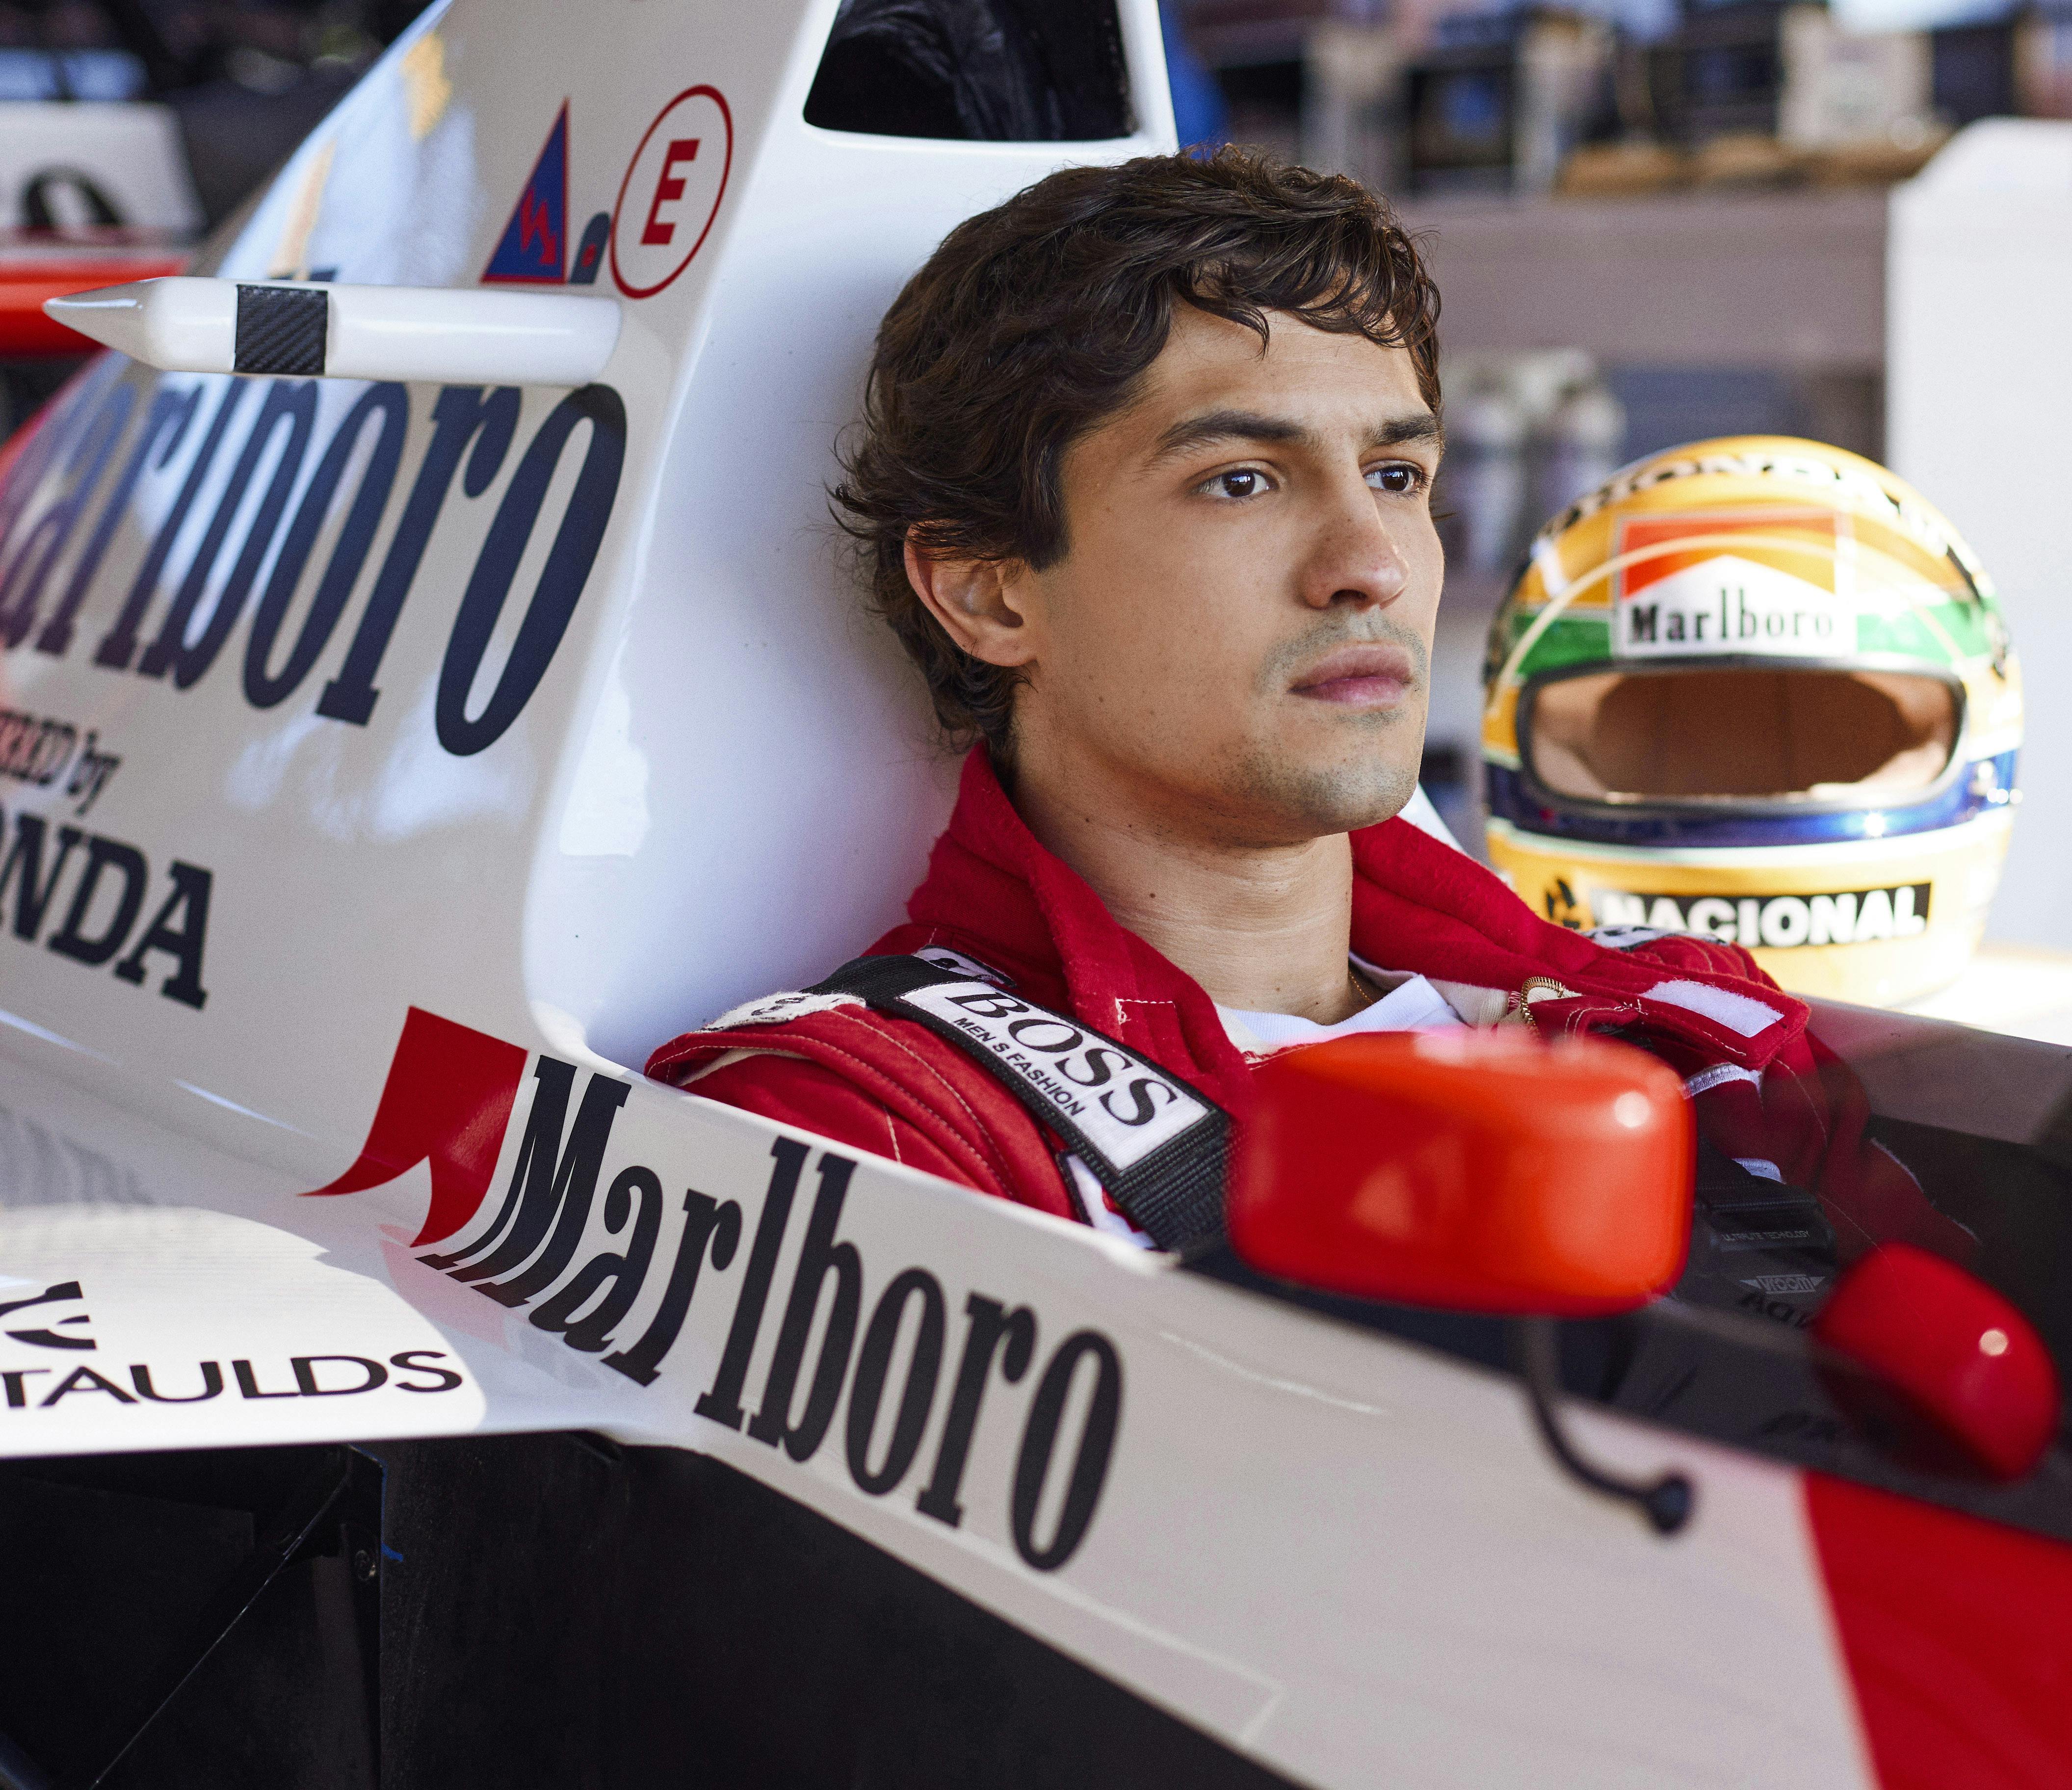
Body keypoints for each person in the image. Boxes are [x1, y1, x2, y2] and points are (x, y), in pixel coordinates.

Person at [647, 148, 1961, 1271]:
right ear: (990, 594)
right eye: (1241, 482)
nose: (1373, 564)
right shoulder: (864, 1124)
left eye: (1396, 473)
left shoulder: (1687, 1029)